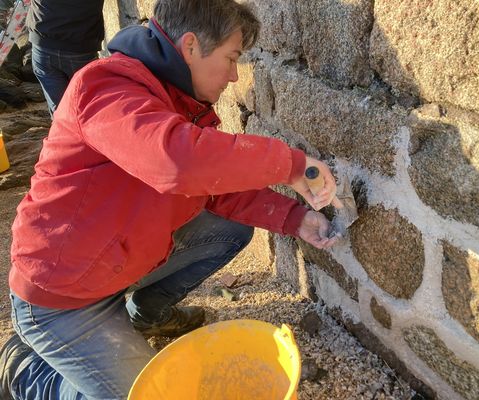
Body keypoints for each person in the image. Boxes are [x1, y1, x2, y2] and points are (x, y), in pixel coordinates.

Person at [0, 0, 340, 398]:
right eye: (231, 59)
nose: (233, 77)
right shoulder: (105, 87)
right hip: (61, 298)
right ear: (191, 46)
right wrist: (292, 165)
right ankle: (25, 371)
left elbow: (213, 187)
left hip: (110, 269)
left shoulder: (182, 101)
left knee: (230, 231)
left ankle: (143, 317)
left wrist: (294, 219)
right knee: (150, 395)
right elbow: (176, 162)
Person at [26, 0, 104, 117]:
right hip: (80, 47)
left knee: (60, 114)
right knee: (89, 109)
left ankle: (63, 131)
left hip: (42, 42)